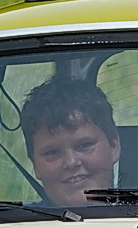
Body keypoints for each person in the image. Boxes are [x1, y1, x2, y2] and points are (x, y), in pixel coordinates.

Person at [19, 78, 121, 208]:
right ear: (35, 165)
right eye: (52, 152)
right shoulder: (14, 225)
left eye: (84, 145)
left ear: (113, 146)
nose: (71, 162)